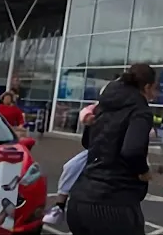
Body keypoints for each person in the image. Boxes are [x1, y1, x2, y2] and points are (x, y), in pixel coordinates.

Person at [66, 64, 157, 235]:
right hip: (114, 204)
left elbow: (87, 142)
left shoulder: (105, 104)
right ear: (147, 87)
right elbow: (132, 150)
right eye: (154, 89)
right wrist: (143, 171)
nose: (155, 95)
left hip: (80, 200)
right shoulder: (140, 110)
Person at [43, 83, 114, 224]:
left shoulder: (127, 111)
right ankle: (59, 207)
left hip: (117, 152)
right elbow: (85, 113)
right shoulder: (97, 109)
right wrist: (87, 117)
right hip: (95, 150)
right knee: (70, 167)